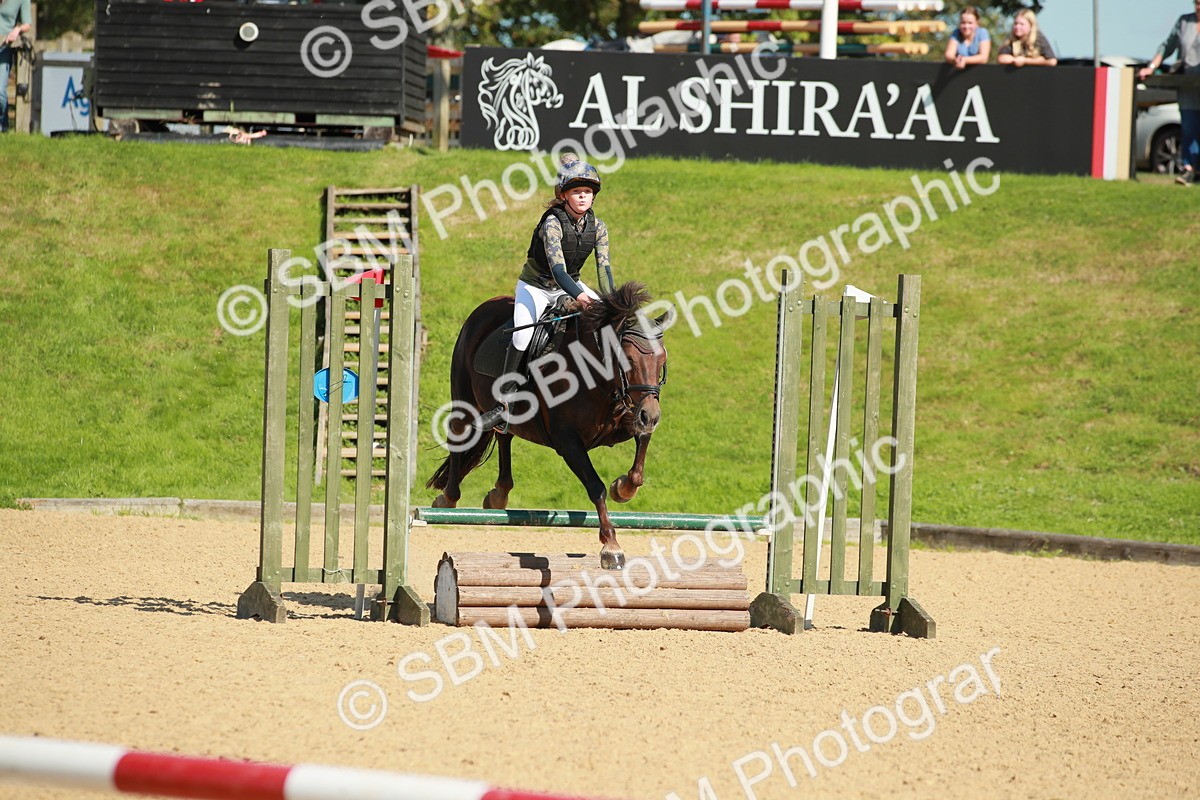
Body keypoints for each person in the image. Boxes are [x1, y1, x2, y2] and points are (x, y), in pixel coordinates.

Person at [476, 153, 611, 432]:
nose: (584, 197)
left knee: (610, 321)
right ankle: (503, 405)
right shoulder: (552, 222)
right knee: (524, 335)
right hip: (536, 287)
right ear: (563, 195)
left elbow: (604, 271)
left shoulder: (598, 228)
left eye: (588, 192)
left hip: (573, 284)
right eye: (577, 192)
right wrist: (581, 297)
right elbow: (558, 271)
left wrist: (612, 302)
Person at [1138, 2, 1200, 185]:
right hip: (1188, 86)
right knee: (1189, 128)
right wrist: (1150, 67)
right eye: (1196, 2)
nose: (1198, 6)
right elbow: (1167, 47)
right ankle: (1189, 169)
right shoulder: (1184, 22)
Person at [0, 0, 31, 133]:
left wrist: (17, 30)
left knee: (0, 92)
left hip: (4, 46)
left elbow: (27, 24)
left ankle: (3, 126)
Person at [944, 6, 991, 70]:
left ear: (977, 23)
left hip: (979, 73)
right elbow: (949, 54)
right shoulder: (956, 33)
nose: (966, 26)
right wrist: (955, 60)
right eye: (963, 23)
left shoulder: (982, 33)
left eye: (970, 23)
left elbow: (984, 58)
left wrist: (965, 60)